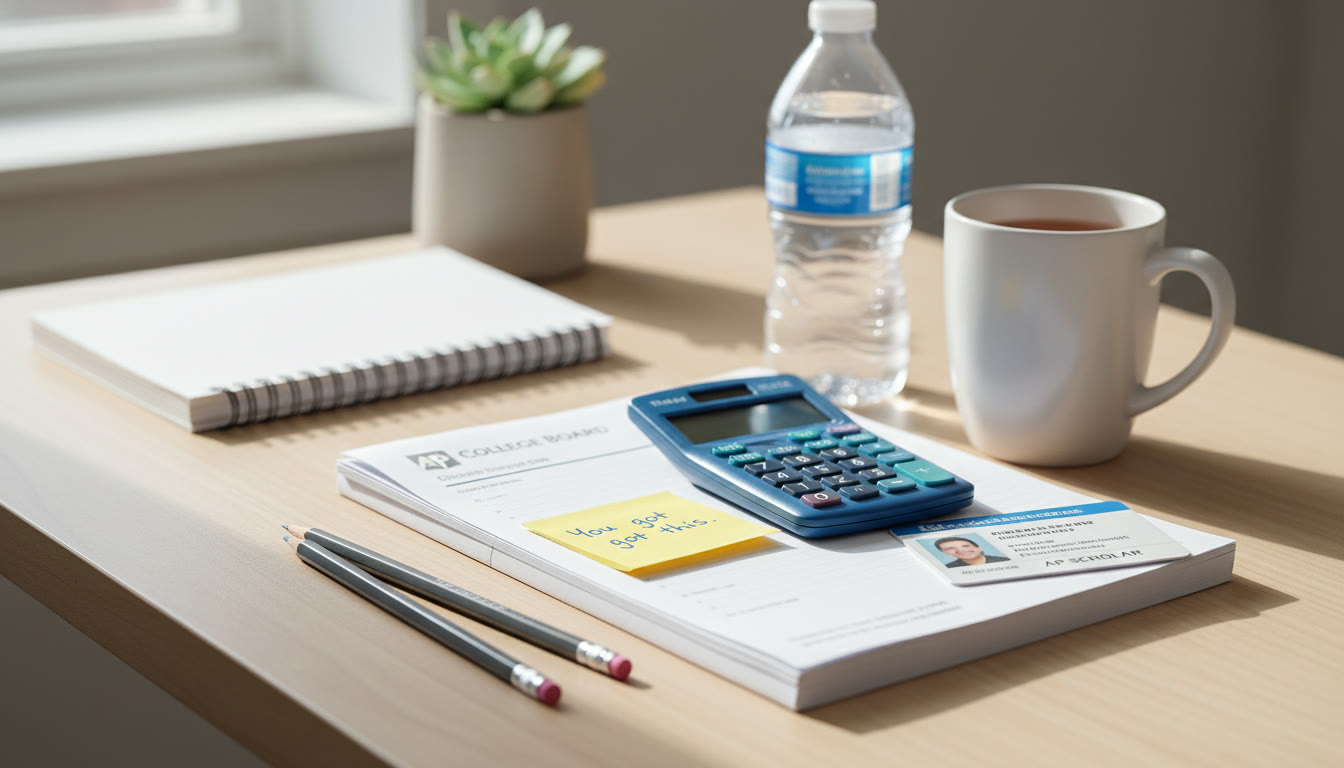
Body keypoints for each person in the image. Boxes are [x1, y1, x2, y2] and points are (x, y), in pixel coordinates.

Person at [934, 536, 1011, 568]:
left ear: (979, 548)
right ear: (945, 552)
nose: (961, 550)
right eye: (951, 548)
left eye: (966, 546)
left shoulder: (1004, 560)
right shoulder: (949, 567)